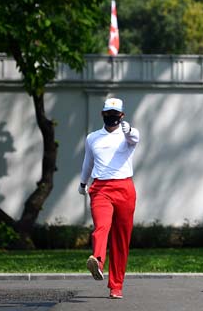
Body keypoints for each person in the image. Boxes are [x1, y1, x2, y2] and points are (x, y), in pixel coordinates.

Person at [79, 97, 140, 300]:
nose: (111, 117)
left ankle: (116, 286)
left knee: (121, 239)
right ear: (102, 114)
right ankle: (96, 260)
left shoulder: (129, 134)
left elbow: (134, 139)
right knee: (102, 226)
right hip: (100, 188)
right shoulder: (92, 138)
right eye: (108, 113)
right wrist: (82, 183)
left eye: (115, 114)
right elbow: (88, 161)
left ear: (122, 115)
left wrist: (128, 130)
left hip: (124, 188)